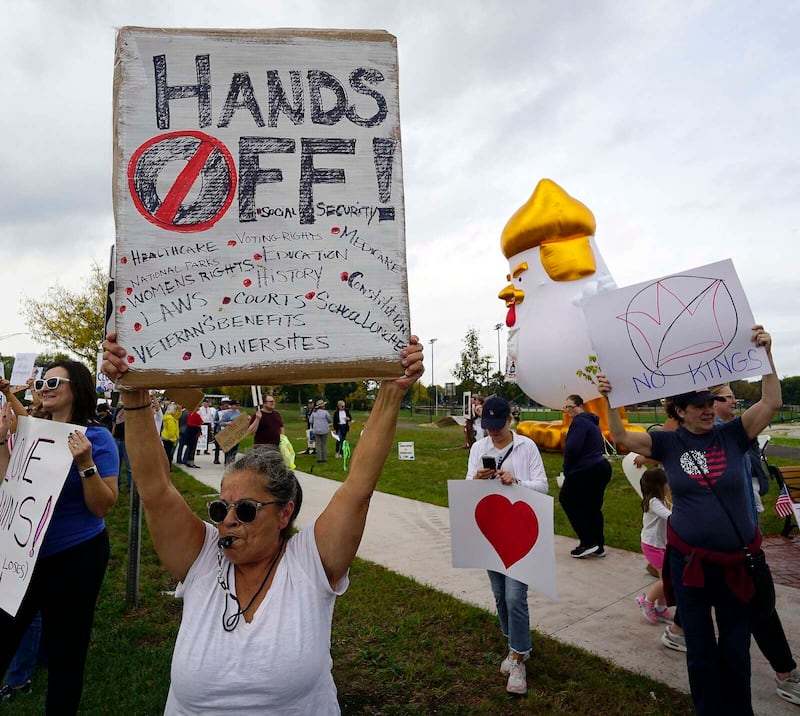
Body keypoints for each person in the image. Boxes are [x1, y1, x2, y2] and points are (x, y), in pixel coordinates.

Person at [101, 331, 423, 714]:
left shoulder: (310, 563)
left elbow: (357, 488)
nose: (229, 521)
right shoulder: (202, 558)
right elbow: (156, 491)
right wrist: (135, 395)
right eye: (221, 510)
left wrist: (391, 393)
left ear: (284, 514)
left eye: (247, 510)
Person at [598, 325, 781, 715]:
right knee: (699, 649)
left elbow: (770, 403)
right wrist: (609, 398)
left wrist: (767, 358)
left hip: (736, 566)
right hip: (691, 567)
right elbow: (620, 436)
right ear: (679, 411)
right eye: (698, 405)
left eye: (710, 403)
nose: (707, 410)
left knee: (735, 648)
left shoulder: (733, 434)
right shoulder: (668, 443)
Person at [0, 361, 119, 715]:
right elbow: (10, 486)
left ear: (78, 388)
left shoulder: (96, 438)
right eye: (41, 381)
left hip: (76, 557)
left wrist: (85, 463)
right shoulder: (33, 432)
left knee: (67, 653)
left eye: (54, 381)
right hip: (22, 556)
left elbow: (102, 506)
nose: (44, 386)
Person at [712, 384, 800, 706]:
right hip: (731, 548)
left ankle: (678, 629)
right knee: (760, 609)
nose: (734, 400)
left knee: (744, 609)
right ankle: (785, 673)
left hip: (744, 538)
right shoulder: (712, 439)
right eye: (726, 396)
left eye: (733, 395)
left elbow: (771, 401)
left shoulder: (738, 433)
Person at [466, 396, 548, 696]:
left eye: (497, 426)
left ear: (509, 420)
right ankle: (515, 643)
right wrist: (478, 477)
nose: (493, 433)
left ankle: (517, 658)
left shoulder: (527, 447)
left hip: (520, 532)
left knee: (515, 596)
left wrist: (517, 482)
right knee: (500, 595)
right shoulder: (479, 448)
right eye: (487, 427)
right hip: (492, 531)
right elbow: (467, 485)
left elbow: (543, 485)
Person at [559, 394, 612, 558]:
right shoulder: (591, 422)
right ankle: (598, 545)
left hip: (586, 469)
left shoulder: (580, 422)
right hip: (600, 467)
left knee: (567, 499)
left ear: (580, 406)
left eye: (571, 407)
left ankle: (588, 541)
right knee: (592, 507)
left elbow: (572, 449)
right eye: (566, 407)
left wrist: (567, 470)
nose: (568, 410)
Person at [635, 467, 674, 624]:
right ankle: (647, 601)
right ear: (659, 486)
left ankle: (660, 609)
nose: (669, 486)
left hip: (659, 545)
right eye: (667, 483)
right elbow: (669, 516)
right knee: (666, 577)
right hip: (652, 546)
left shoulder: (659, 500)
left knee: (665, 577)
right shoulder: (653, 502)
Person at [112, 403, 133, 488]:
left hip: (126, 440)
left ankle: (130, 485)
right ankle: (117, 485)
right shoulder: (118, 410)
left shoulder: (130, 411)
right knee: (117, 464)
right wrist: (113, 434)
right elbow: (114, 423)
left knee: (129, 465)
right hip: (117, 439)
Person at [161, 402, 180, 467]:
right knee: (169, 454)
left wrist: (179, 409)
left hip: (165, 437)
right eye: (175, 409)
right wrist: (174, 439)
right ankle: (168, 467)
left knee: (167, 452)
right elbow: (171, 431)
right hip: (169, 438)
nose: (175, 410)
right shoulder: (170, 419)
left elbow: (177, 416)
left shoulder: (167, 416)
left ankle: (166, 466)